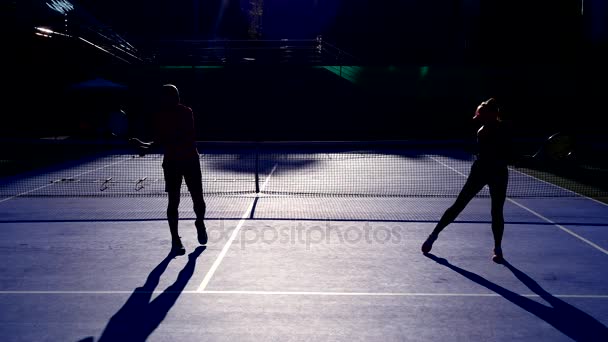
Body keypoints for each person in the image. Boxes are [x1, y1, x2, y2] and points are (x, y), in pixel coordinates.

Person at [421, 98, 510, 263]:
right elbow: (494, 154)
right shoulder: (482, 131)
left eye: (482, 116)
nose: (480, 119)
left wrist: (513, 158)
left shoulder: (504, 129)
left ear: (492, 115)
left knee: (497, 211)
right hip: (481, 171)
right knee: (458, 205)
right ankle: (433, 236)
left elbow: (506, 151)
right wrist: (513, 158)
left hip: (499, 174)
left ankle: (498, 249)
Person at [131, 84, 207, 255]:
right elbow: (159, 140)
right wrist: (145, 146)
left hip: (190, 161)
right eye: (170, 95)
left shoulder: (187, 112)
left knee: (198, 200)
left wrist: (148, 147)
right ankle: (175, 239)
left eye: (175, 95)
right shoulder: (159, 116)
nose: (174, 98)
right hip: (172, 163)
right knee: (173, 201)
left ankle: (200, 222)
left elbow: (177, 137)